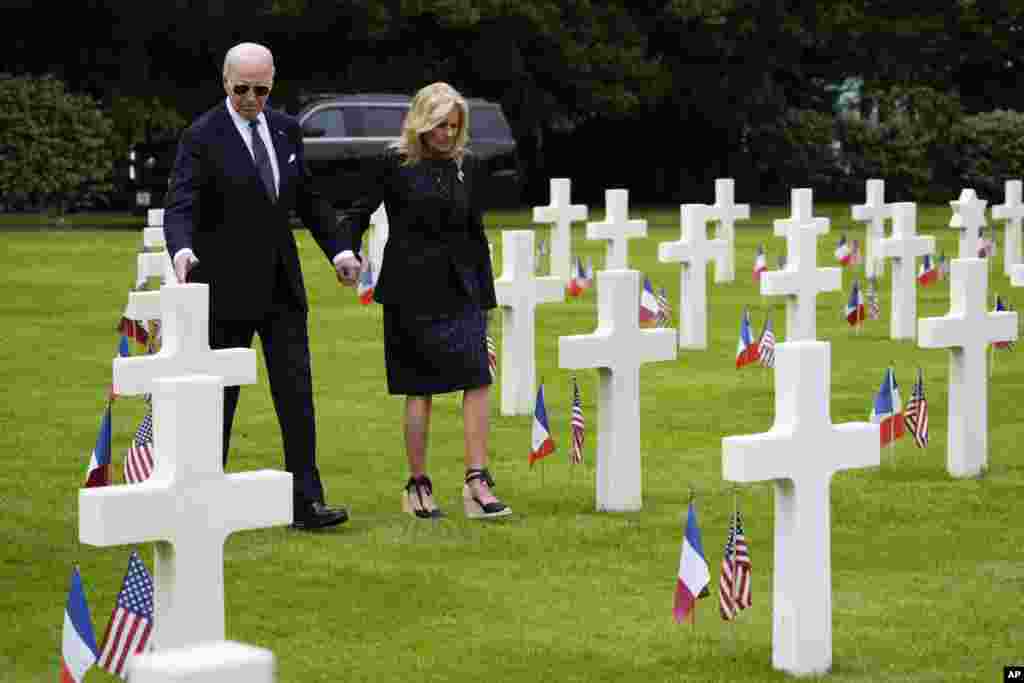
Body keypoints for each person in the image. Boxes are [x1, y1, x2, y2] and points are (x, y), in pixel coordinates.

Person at [164, 42, 360, 530]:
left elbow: (308, 198)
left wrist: (338, 250)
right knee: (219, 398)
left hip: (281, 288)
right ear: (225, 82)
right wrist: (182, 250)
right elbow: (181, 202)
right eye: (242, 89)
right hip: (225, 288)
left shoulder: (285, 128)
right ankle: (203, 499)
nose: (252, 98)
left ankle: (305, 501)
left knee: (296, 396)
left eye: (262, 89)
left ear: (273, 83)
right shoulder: (202, 135)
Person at [338, 82, 510, 520]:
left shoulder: (467, 166)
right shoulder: (393, 163)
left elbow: (475, 230)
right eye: (439, 126)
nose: (447, 135)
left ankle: (477, 481)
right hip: (411, 290)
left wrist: (484, 296)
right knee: (420, 388)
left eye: (454, 126)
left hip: (463, 287)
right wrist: (346, 251)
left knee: (477, 379)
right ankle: (417, 485)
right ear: (421, 122)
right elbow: (357, 213)